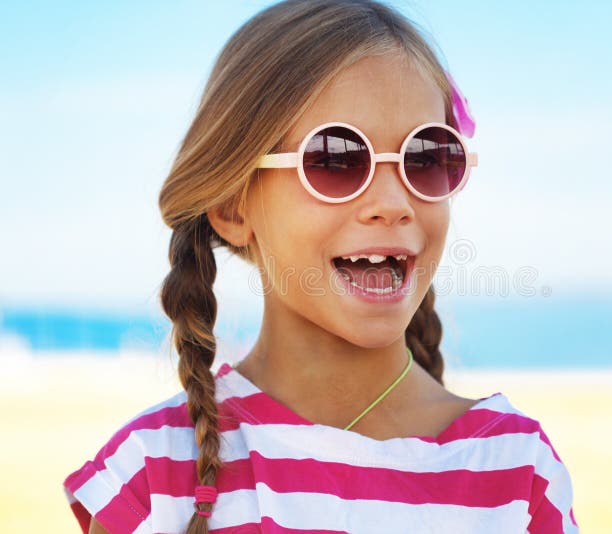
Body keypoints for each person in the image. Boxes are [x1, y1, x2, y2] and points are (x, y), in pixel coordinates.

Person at [63, 1, 579, 532]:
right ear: (233, 207)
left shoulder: (515, 472)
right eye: (336, 158)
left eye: (424, 156)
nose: (393, 202)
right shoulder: (152, 475)